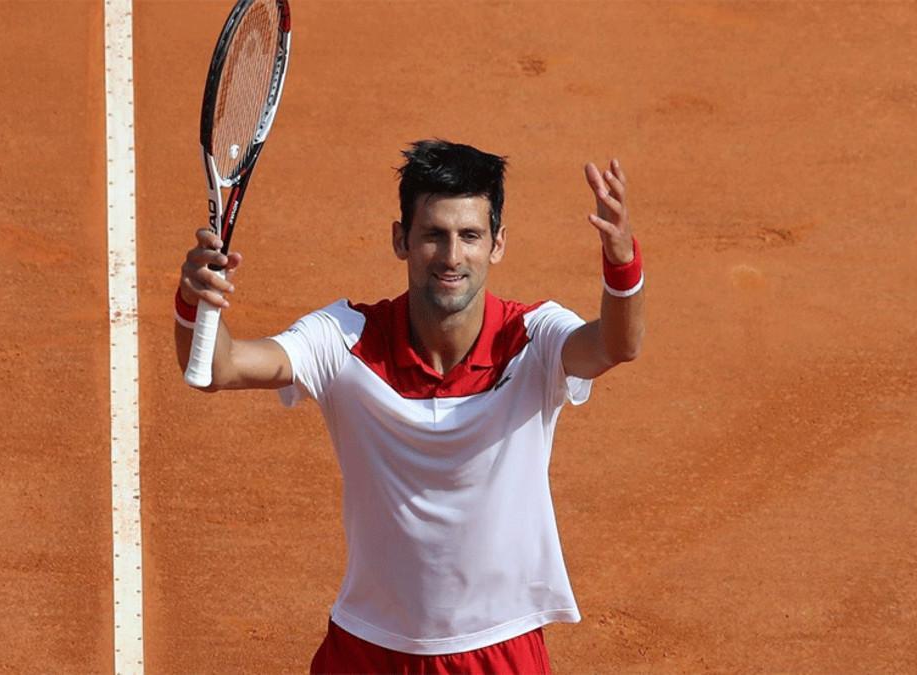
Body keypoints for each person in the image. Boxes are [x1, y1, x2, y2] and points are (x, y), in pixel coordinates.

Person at [174, 139, 645, 674]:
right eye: (433, 236)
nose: (451, 257)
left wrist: (622, 262)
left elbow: (615, 345)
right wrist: (194, 300)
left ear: (497, 244)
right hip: (368, 650)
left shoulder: (532, 339)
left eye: (470, 236)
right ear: (401, 239)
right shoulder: (343, 340)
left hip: (500, 649)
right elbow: (220, 367)